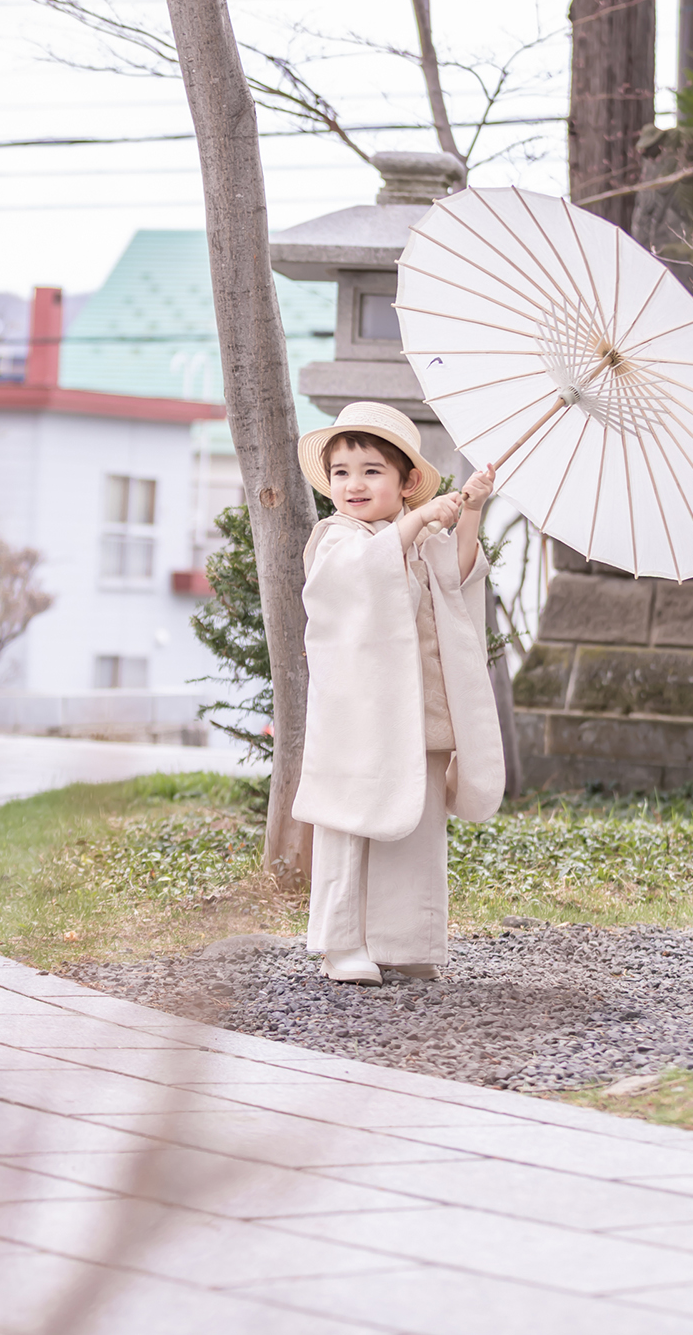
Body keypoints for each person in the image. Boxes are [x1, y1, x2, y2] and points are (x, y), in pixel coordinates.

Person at [292, 401, 506, 985]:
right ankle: (342, 943)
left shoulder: (417, 540)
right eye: (341, 472)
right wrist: (416, 523)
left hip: (420, 713)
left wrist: (469, 512)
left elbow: (458, 579)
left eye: (370, 471)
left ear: (407, 481)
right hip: (362, 718)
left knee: (417, 830)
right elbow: (357, 577)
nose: (353, 484)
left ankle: (405, 941)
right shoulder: (337, 538)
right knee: (352, 822)